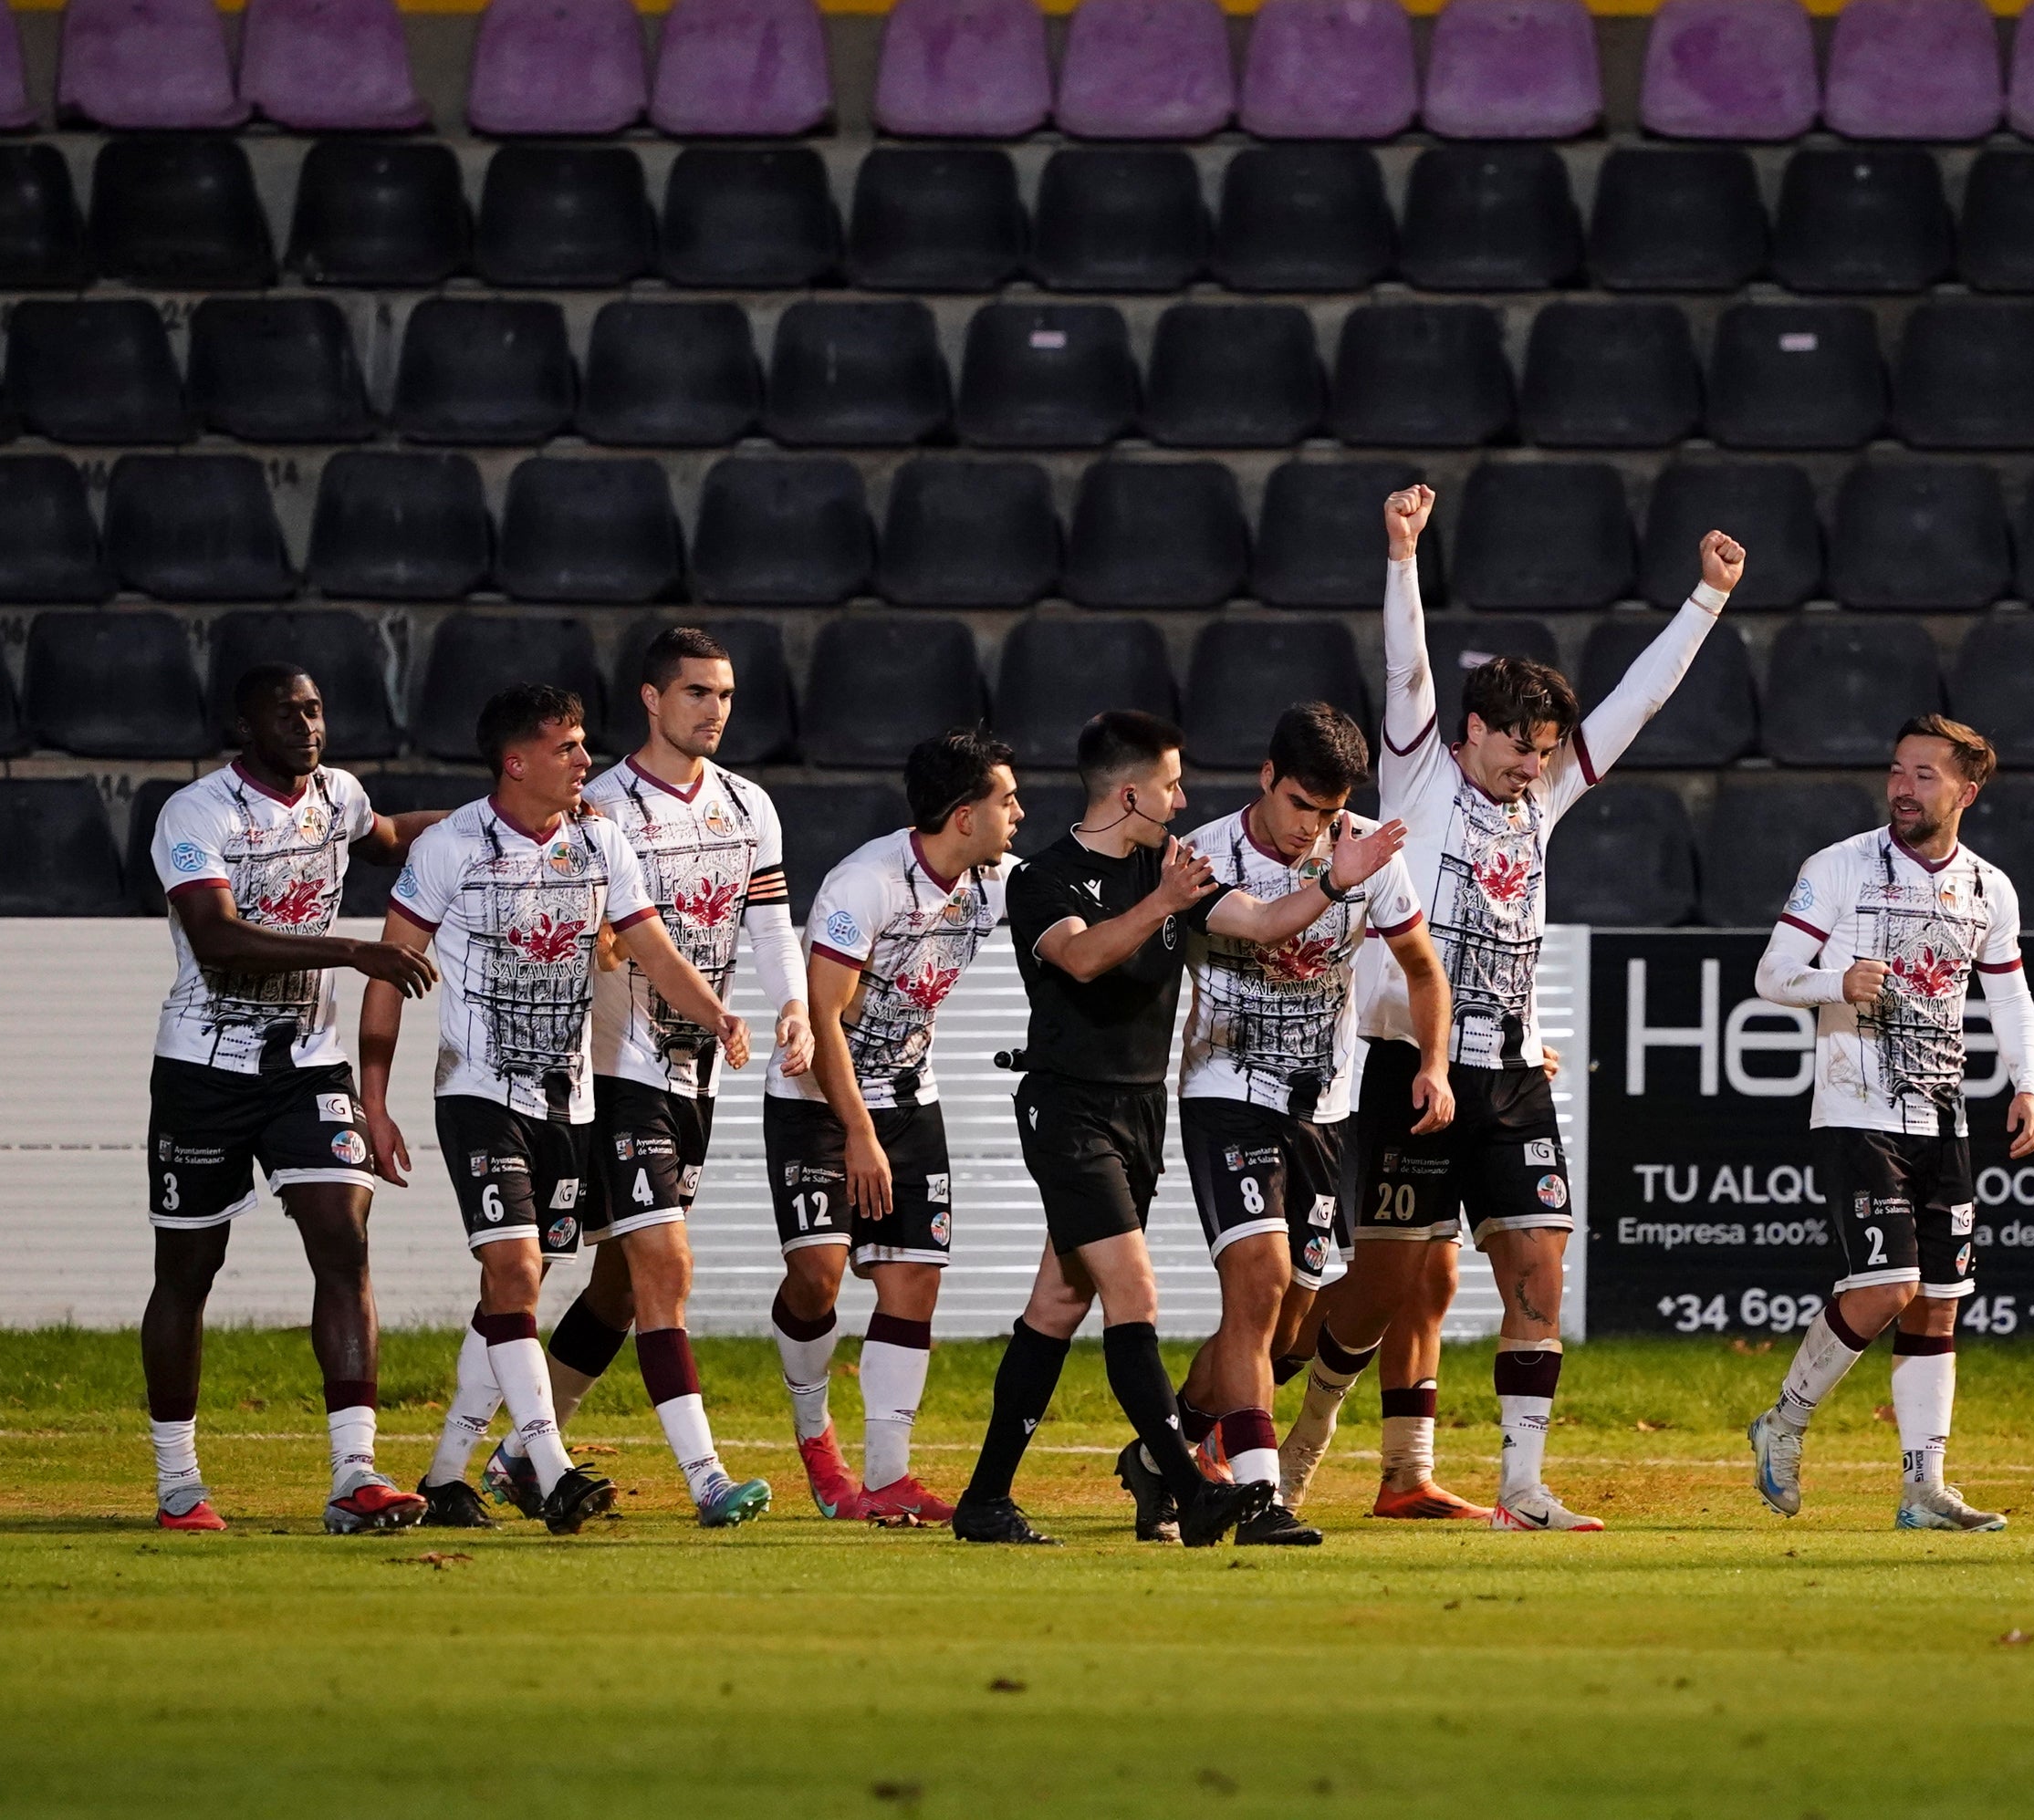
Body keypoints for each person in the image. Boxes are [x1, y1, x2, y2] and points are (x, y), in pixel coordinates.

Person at [1311, 484, 1741, 1533]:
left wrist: (1707, 600)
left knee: (1537, 1272)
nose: (1535, 762)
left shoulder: (1542, 800)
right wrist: (1403, 553)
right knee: (1380, 1292)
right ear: (1471, 732)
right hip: (1401, 1063)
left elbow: (1634, 706)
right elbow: (1404, 665)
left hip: (1509, 1070)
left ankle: (1521, 1486)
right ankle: (1298, 1433)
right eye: (1519, 744)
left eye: (1547, 746)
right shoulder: (1416, 773)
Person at [952, 709, 1404, 1547]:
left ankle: (985, 1497)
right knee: (1135, 1294)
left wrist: (1337, 881)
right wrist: (1164, 900)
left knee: (1057, 1302)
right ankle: (1192, 1487)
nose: (1183, 796)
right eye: (1169, 783)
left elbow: (1267, 925)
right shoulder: (1043, 878)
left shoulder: (1173, 867)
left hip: (1139, 1112)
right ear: (1131, 793)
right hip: (1068, 1110)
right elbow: (1083, 958)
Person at [360, 684, 751, 1534]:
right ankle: (552, 1465)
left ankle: (444, 1475)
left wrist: (715, 1010)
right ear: (517, 762)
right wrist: (376, 1099)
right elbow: (390, 971)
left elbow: (651, 945)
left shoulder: (601, 840)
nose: (585, 760)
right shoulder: (451, 846)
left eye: (582, 744)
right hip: (475, 1090)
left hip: (568, 1100)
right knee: (515, 1273)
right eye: (568, 747)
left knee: (517, 1284)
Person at [475, 629, 806, 1530]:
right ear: (653, 701)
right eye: (697, 693)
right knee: (665, 1266)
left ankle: (512, 1459)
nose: (716, 711)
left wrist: (795, 1008)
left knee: (621, 1283)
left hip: (698, 1073)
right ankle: (706, 1479)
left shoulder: (748, 805)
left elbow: (769, 924)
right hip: (619, 1066)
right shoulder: (602, 804)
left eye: (727, 695)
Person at [141, 664, 448, 1534]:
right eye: (285, 712)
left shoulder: (336, 796)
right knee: (188, 1272)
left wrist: (496, 818)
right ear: (244, 723)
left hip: (308, 1066)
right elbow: (217, 939)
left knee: (343, 1240)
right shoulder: (195, 815)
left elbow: (391, 834)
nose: (308, 724)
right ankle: (179, 1484)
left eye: (315, 708)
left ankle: (356, 1473)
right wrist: (352, 953)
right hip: (205, 1067)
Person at [1158, 702, 1454, 1544]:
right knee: (1256, 1281)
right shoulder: (1202, 856)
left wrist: (1431, 1064)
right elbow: (1259, 922)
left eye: (1328, 812)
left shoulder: (1359, 847)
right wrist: (1335, 878)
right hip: (1226, 1089)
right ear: (1266, 780)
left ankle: (1169, 1445)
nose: (1312, 829)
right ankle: (1259, 1499)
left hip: (1325, 1108)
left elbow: (1423, 972)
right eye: (1300, 807)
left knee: (1291, 1317)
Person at [1742, 716, 2034, 1532]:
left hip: (1943, 1113)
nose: (1903, 788)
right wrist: (1837, 980)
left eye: (1924, 775)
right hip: (1856, 1105)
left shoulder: (1990, 887)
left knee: (1938, 1303)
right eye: (1897, 771)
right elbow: (1772, 973)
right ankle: (1784, 1422)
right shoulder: (1838, 867)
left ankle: (1924, 1489)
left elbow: (2009, 994)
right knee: (1888, 1287)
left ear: (1965, 792)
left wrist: (2029, 1084)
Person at [767, 727, 1022, 1524]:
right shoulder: (862, 885)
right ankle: (817, 1441)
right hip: (819, 1101)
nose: (1019, 811)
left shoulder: (993, 881)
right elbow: (823, 1017)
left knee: (915, 1282)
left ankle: (885, 1476)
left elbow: (1075, 903)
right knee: (819, 1275)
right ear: (962, 816)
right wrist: (859, 1132)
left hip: (912, 1098)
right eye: (1004, 799)